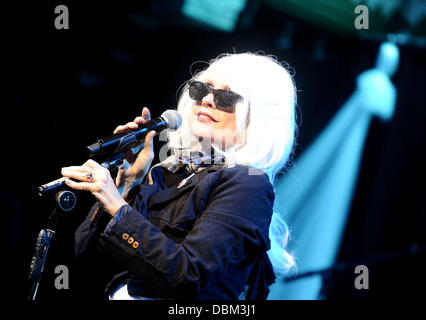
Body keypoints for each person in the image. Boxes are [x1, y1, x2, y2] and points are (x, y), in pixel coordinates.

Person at [61, 52, 297, 300]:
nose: (206, 99)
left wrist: (117, 205)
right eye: (202, 89)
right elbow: (85, 254)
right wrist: (125, 186)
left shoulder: (248, 184)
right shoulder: (167, 174)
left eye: (226, 96)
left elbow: (188, 277)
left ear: (257, 118)